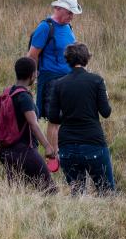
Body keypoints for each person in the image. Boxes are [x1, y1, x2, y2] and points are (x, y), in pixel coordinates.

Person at [48, 43, 115, 196]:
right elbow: (106, 112)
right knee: (107, 193)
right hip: (93, 142)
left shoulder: (59, 84)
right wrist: (104, 98)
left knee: (76, 193)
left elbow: (52, 117)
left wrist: (69, 115)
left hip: (67, 145)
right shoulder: (97, 81)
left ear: (68, 60)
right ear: (87, 59)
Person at [26, 0, 82, 154]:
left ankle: (64, 150)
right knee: (55, 119)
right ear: (58, 9)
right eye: (69, 13)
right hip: (52, 81)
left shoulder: (68, 27)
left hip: (69, 79)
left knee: (68, 117)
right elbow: (31, 55)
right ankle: (53, 155)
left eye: (73, 14)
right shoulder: (45, 27)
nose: (72, 16)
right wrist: (32, 77)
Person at [0, 57, 57, 194]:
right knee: (50, 191)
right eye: (36, 72)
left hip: (5, 151)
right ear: (32, 74)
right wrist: (48, 146)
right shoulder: (24, 97)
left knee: (16, 192)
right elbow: (33, 124)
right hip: (24, 151)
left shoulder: (8, 92)